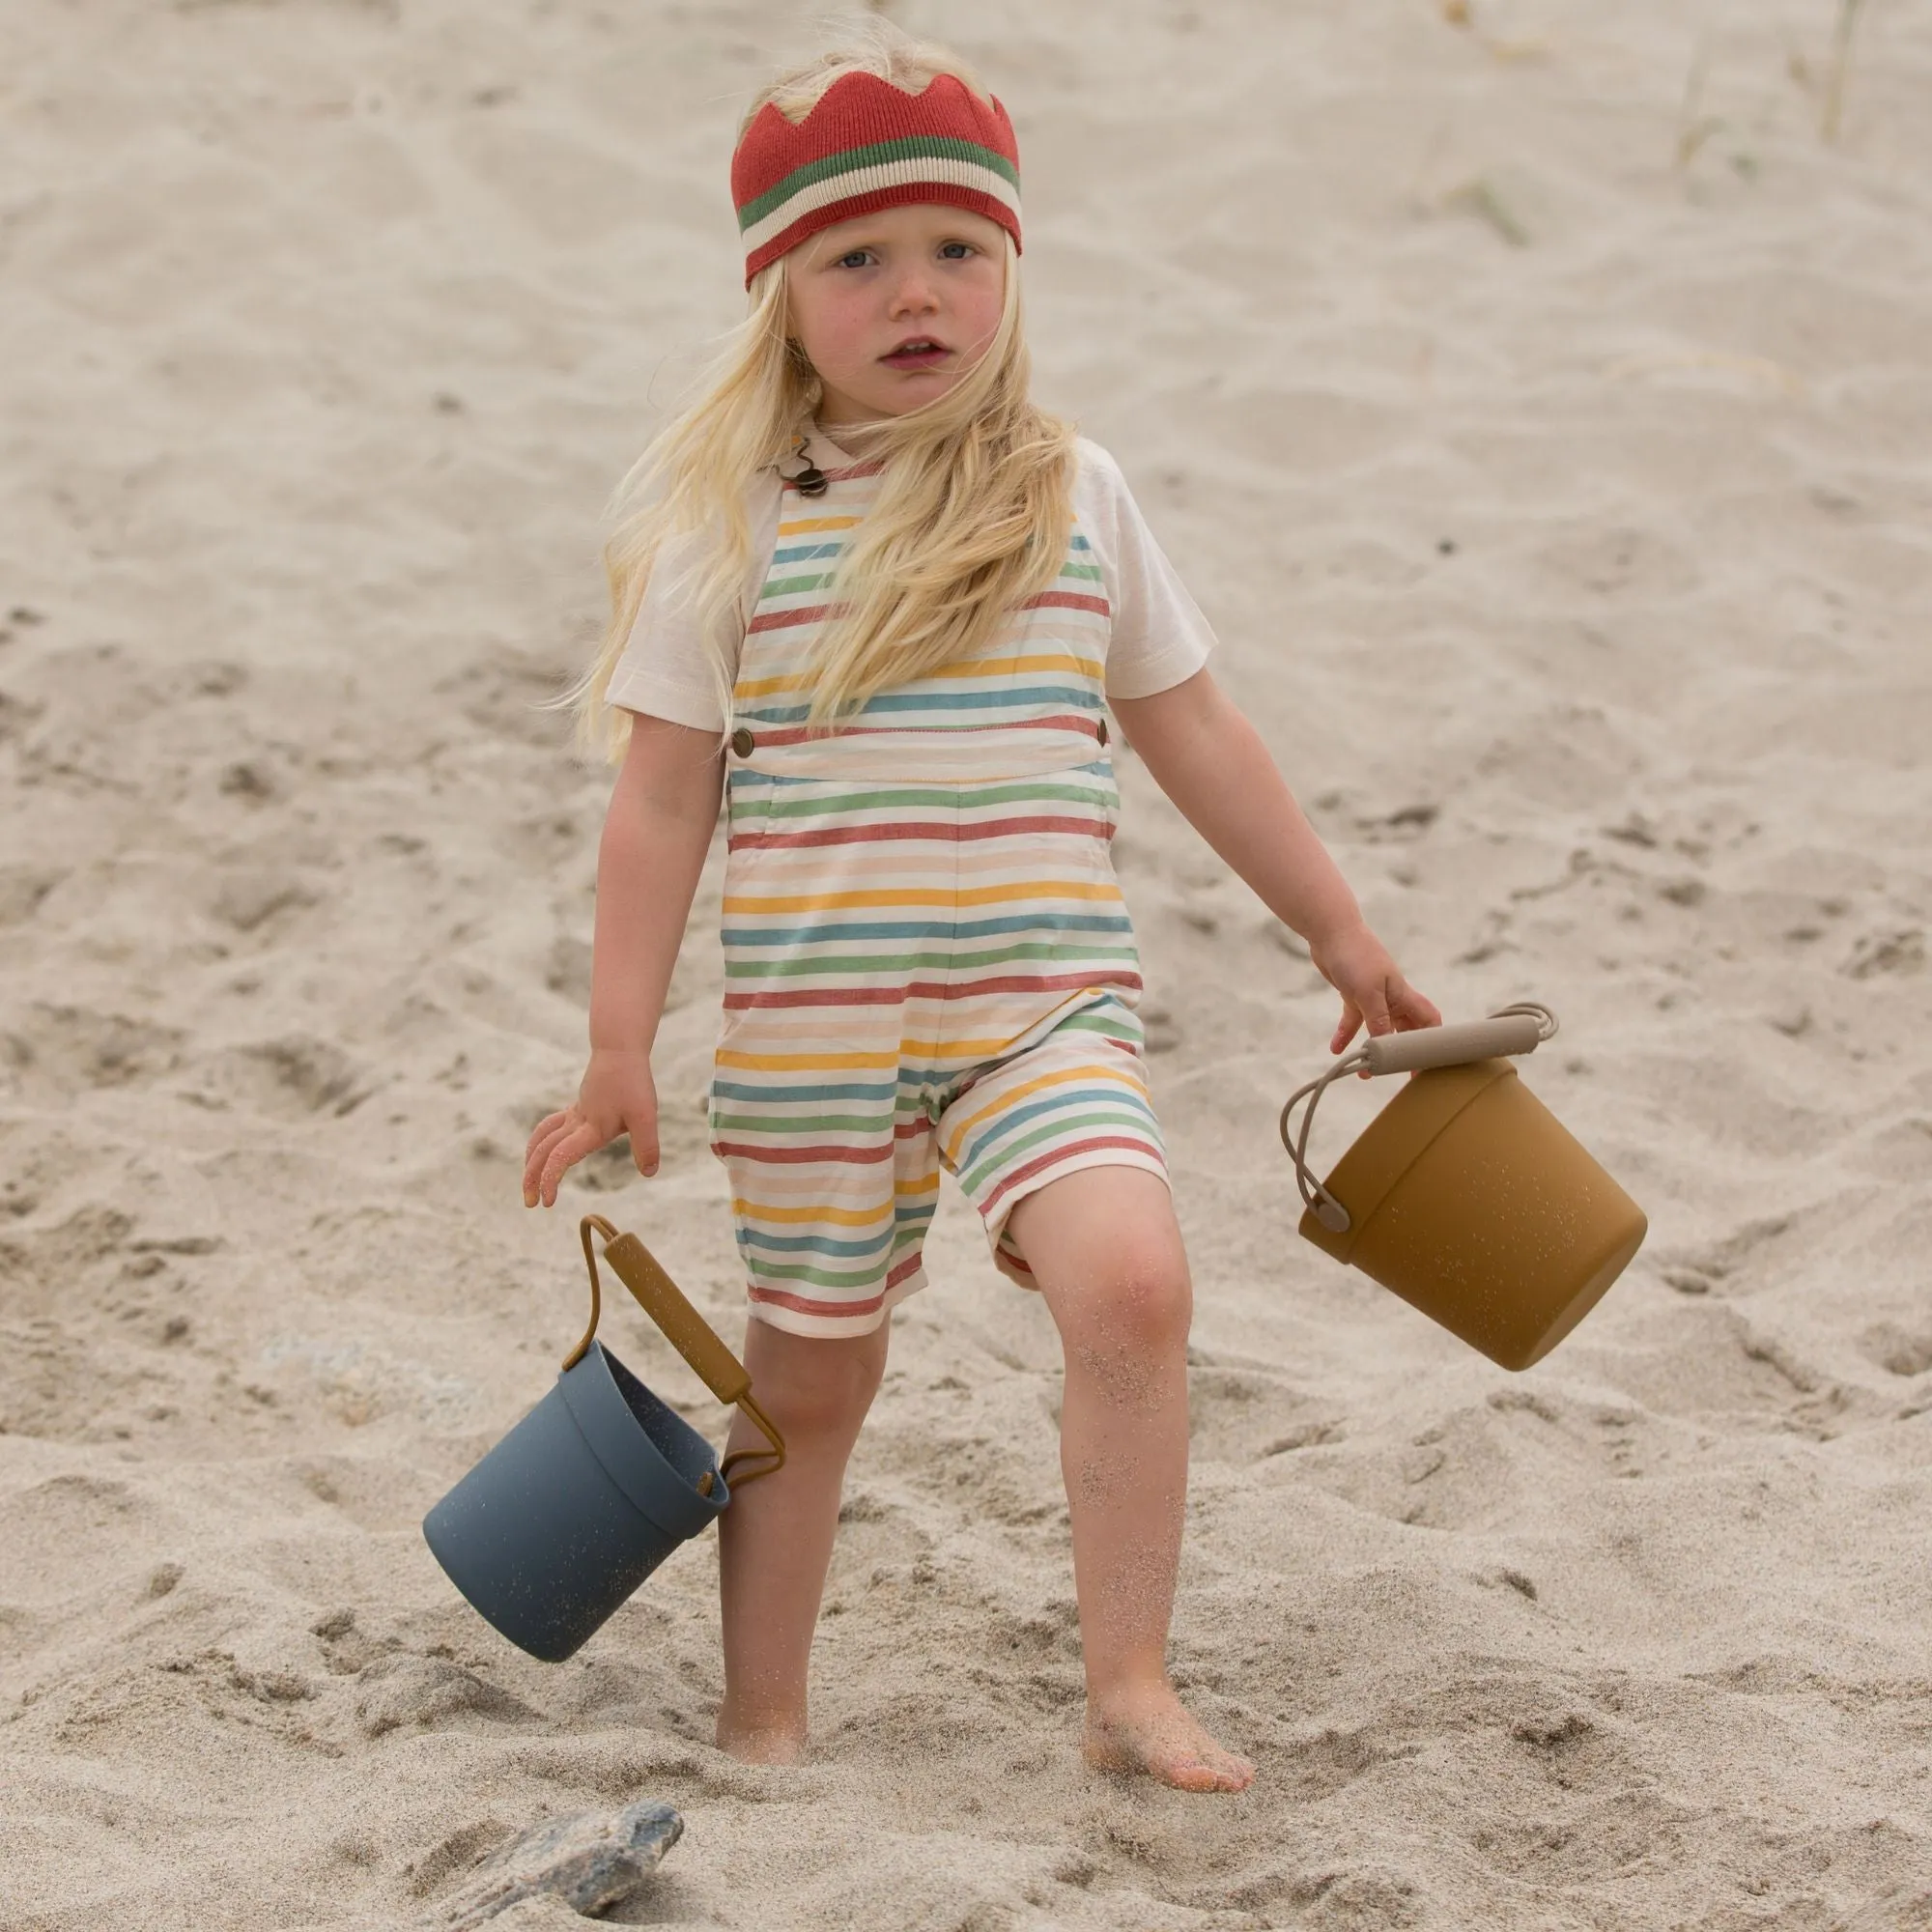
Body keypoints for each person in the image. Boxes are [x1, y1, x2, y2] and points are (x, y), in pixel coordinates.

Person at [522, 23, 1439, 1795]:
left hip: (1041, 1005)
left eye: (959, 250)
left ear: (1014, 267)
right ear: (777, 295)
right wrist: (618, 1039)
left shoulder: (1070, 496)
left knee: (1137, 1287)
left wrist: (1338, 929)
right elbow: (659, 801)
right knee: (810, 1387)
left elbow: (1196, 728)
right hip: (815, 1033)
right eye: (856, 260)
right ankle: (763, 1715)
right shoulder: (738, 526)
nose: (915, 292)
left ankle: (1128, 1681)